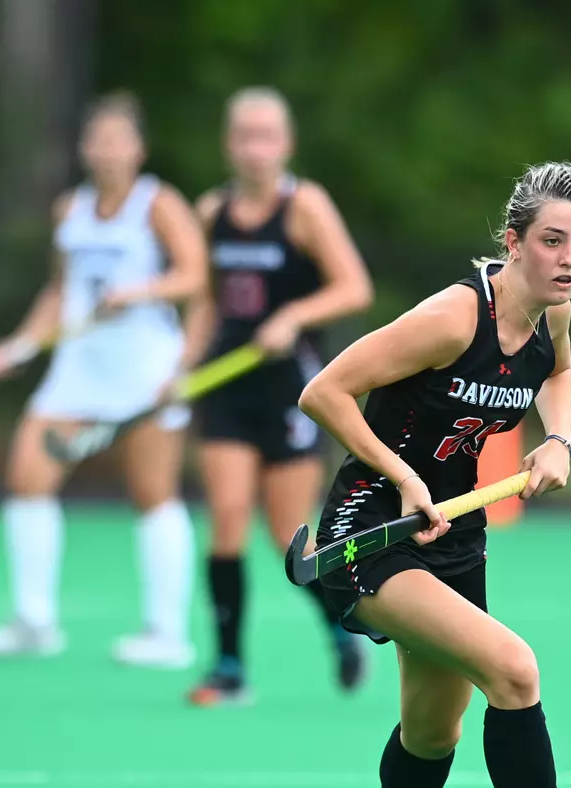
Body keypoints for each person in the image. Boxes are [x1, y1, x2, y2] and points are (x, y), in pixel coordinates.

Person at [298, 162, 571, 788]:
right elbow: (324, 393)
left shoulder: (553, 316)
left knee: (433, 729)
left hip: (455, 533)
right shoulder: (454, 316)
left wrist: (560, 441)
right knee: (512, 668)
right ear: (513, 243)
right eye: (552, 241)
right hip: (373, 529)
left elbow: (561, 377)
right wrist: (406, 480)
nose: (570, 259)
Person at [0, 92, 206, 667]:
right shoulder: (68, 209)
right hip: (78, 370)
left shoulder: (159, 204)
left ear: (139, 149)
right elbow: (60, 291)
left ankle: (166, 633)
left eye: (118, 138)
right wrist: (21, 344)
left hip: (146, 366)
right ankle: (33, 621)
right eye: (96, 138)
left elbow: (195, 277)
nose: (106, 149)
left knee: (153, 494)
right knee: (27, 477)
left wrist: (139, 293)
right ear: (83, 148)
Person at [183, 87, 375, 706]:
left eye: (267, 136)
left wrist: (292, 316)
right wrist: (181, 369)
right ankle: (230, 667)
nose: (255, 148)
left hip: (293, 391)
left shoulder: (304, 207)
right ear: (228, 143)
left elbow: (353, 287)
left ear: (285, 144)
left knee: (287, 538)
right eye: (244, 136)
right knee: (226, 525)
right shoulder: (209, 211)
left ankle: (342, 632)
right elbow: (205, 303)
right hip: (228, 388)